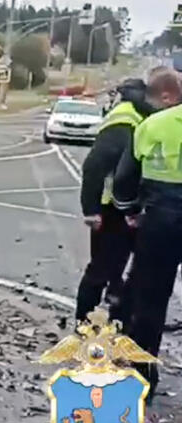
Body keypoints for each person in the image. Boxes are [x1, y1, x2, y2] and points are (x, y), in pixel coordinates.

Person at [112, 67, 182, 403]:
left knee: (150, 301)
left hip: (161, 220)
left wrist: (129, 211)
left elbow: (125, 178)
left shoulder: (152, 125)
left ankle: (142, 377)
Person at [74, 78, 149, 327]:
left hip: (125, 206)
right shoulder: (124, 121)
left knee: (118, 268)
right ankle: (83, 320)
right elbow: (95, 166)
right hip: (112, 208)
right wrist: (91, 209)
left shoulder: (133, 117)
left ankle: (117, 315)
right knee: (102, 267)